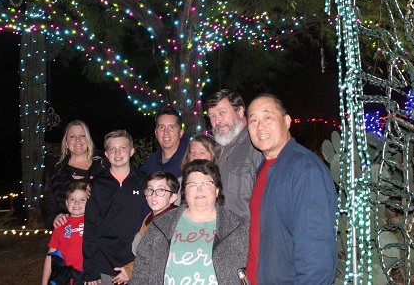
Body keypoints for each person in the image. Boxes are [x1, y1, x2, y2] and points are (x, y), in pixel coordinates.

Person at [245, 94, 337, 284]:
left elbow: (316, 253)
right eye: (253, 120)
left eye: (267, 117)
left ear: (287, 121)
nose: (260, 126)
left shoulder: (304, 169)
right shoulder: (265, 169)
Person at [130, 160, 248, 285]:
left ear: (217, 189)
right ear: (185, 191)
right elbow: (140, 273)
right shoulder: (160, 226)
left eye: (207, 184)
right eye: (192, 185)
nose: (200, 189)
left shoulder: (238, 227)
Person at [83, 130, 146, 285]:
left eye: (123, 148)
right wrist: (90, 269)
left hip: (136, 260)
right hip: (104, 262)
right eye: (112, 149)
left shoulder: (144, 182)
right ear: (106, 153)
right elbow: (90, 227)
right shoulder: (97, 184)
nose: (117, 152)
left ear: (132, 151)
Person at [205, 89, 264, 220]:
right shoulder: (216, 149)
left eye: (222, 113)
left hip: (247, 235)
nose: (217, 120)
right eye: (212, 116)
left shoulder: (257, 146)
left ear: (240, 111)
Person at [40, 120, 108, 229]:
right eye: (72, 136)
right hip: (68, 232)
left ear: (88, 140)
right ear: (66, 143)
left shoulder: (103, 166)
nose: (78, 140)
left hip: (100, 232)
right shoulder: (56, 171)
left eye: (82, 135)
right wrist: (55, 217)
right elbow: (48, 202)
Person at [119, 171, 180, 283]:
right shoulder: (149, 218)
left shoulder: (175, 222)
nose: (153, 195)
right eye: (150, 190)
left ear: (173, 197)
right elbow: (145, 255)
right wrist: (129, 270)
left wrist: (131, 271)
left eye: (161, 190)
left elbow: (158, 260)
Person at [41, 182, 88, 285]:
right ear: (66, 203)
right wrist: (44, 282)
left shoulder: (93, 222)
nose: (76, 203)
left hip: (88, 278)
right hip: (65, 279)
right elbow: (50, 256)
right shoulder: (60, 224)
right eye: (72, 199)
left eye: (82, 199)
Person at [139, 107, 188, 179]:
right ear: (156, 133)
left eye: (171, 127)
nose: (166, 132)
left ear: (181, 133)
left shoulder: (190, 159)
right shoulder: (151, 163)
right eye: (161, 127)